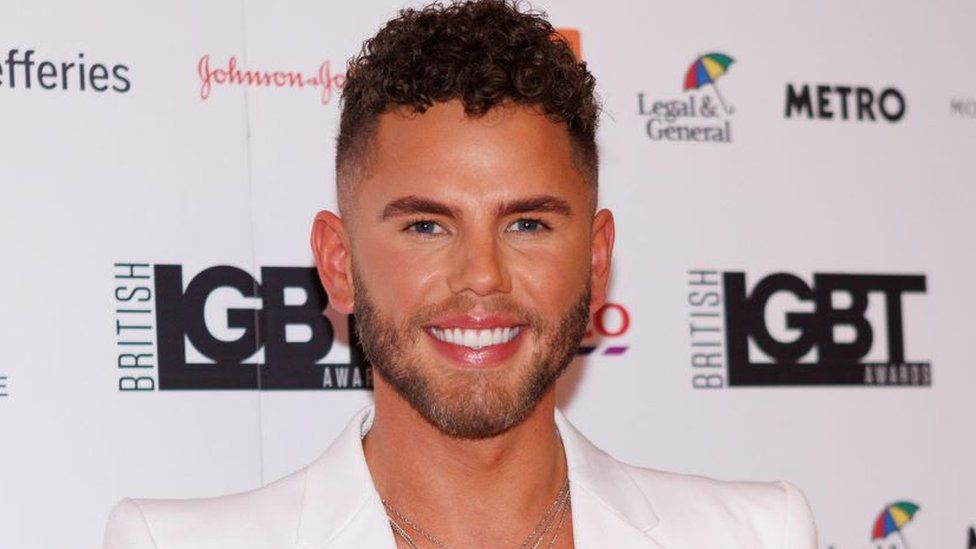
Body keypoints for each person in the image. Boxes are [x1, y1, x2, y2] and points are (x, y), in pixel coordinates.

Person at [104, 1, 818, 547]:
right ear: (339, 263)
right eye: (426, 225)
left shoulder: (757, 533)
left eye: (528, 224)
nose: (482, 276)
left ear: (596, 260)